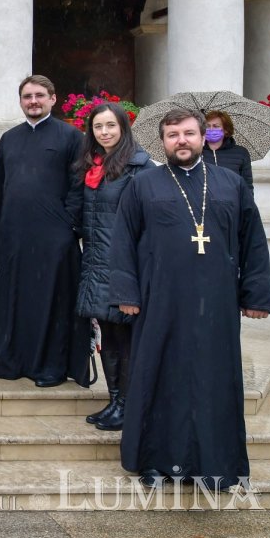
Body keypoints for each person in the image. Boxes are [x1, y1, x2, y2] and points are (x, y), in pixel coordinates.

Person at [110, 108, 270, 491]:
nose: (181, 141)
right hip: (159, 299)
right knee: (159, 376)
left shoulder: (230, 183)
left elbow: (253, 241)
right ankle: (155, 461)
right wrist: (126, 293)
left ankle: (215, 465)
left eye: (187, 133)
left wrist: (255, 295)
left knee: (213, 379)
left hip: (217, 302)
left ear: (203, 137)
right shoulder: (143, 185)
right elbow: (123, 241)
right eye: (172, 135)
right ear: (162, 142)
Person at [0, 74, 91, 388]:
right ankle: (12, 359)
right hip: (14, 235)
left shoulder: (71, 136)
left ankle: (51, 366)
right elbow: (1, 188)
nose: (33, 101)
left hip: (54, 237)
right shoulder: (9, 139)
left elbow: (78, 185)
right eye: (27, 96)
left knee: (52, 302)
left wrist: (68, 226)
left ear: (52, 99)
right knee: (16, 299)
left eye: (39, 96)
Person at [72, 103, 151, 432]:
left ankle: (128, 405)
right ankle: (116, 400)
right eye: (98, 127)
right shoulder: (93, 164)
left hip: (122, 264)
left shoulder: (139, 167)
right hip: (95, 262)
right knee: (107, 335)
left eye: (110, 126)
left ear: (123, 128)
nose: (104, 132)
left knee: (124, 337)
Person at [202, 109, 254, 195]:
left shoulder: (241, 153)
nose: (211, 129)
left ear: (226, 130)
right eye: (207, 126)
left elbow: (247, 185)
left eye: (216, 126)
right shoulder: (196, 152)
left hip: (232, 201)